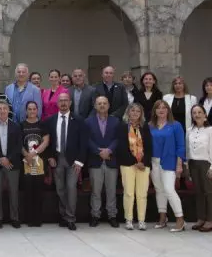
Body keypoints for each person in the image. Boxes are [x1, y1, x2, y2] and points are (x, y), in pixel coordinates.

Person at [47, 92, 87, 231]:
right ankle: (64, 215)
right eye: (61, 101)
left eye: (66, 100)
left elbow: (83, 142)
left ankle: (71, 218)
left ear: (70, 103)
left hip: (73, 160)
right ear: (57, 103)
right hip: (57, 158)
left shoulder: (79, 120)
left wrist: (80, 161)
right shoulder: (51, 120)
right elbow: (48, 141)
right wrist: (50, 157)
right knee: (60, 189)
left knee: (71, 188)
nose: (63, 103)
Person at [149, 100, 186, 232]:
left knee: (169, 190)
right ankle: (162, 217)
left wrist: (179, 164)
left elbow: (181, 146)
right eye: (158, 108)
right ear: (154, 111)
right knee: (159, 190)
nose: (161, 110)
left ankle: (180, 219)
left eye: (164, 108)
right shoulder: (150, 126)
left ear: (168, 110)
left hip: (169, 162)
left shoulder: (175, 125)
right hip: (154, 162)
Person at [116, 103, 153, 230]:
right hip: (128, 164)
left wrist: (143, 161)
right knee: (129, 192)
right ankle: (129, 219)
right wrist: (135, 161)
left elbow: (149, 147)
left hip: (144, 164)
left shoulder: (145, 127)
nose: (135, 113)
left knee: (142, 193)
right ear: (128, 112)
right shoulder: (122, 127)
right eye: (133, 111)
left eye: (138, 111)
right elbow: (121, 147)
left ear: (141, 114)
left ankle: (142, 220)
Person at [86, 96, 120, 228]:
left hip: (111, 160)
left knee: (111, 190)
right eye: (99, 103)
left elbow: (118, 138)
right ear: (95, 106)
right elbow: (87, 139)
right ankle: (95, 215)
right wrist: (98, 151)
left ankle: (112, 215)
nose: (102, 105)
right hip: (95, 160)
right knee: (96, 191)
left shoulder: (116, 121)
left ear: (109, 105)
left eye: (104, 103)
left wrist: (109, 150)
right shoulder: (88, 122)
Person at [187, 104, 212, 232]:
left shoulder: (211, 130)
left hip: (206, 164)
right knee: (199, 193)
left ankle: (210, 220)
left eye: (199, 112)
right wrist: (187, 166)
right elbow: (188, 149)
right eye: (194, 113)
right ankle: (201, 218)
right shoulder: (190, 130)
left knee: (209, 192)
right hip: (193, 164)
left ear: (205, 115)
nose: (197, 115)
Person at [0, 101, 22, 229]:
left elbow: (18, 146)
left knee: (13, 192)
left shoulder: (16, 126)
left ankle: (14, 217)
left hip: (12, 164)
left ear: (8, 110)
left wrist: (8, 159)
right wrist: (0, 159)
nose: (2, 111)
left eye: (4, 108)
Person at [20, 101, 49, 227]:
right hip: (26, 163)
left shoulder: (43, 124)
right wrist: (27, 155)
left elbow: (46, 142)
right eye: (29, 109)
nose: (32, 111)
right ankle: (29, 219)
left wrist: (34, 153)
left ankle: (38, 219)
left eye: (34, 109)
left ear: (37, 110)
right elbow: (19, 143)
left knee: (38, 191)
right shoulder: (21, 125)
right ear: (26, 111)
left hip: (40, 163)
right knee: (28, 191)